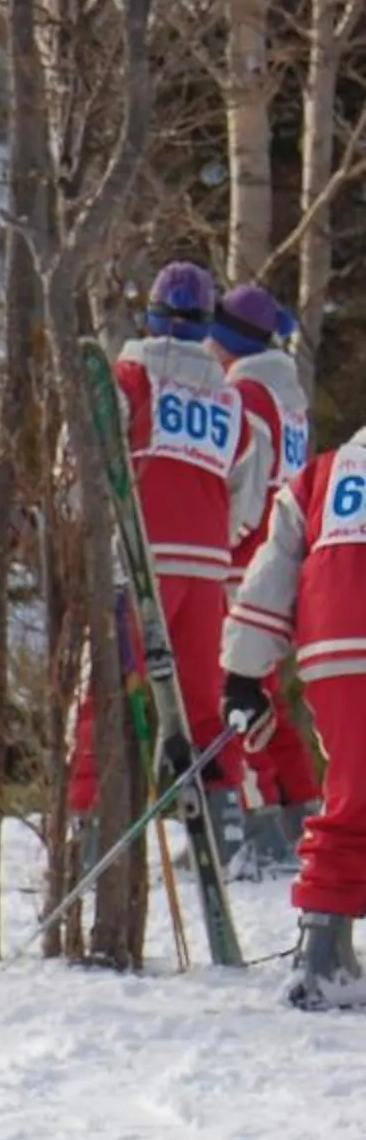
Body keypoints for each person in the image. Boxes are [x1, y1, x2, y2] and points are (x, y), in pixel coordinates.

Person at [72, 262, 265, 862]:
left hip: (136, 561)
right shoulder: (231, 401)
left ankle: (90, 824)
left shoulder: (126, 378)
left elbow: (82, 466)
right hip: (204, 569)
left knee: (106, 691)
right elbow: (247, 495)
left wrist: (77, 520)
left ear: (149, 312)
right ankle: (223, 815)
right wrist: (217, 537)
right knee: (203, 702)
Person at [225, 411, 366, 1009]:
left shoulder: (325, 474)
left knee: (352, 795)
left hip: (333, 653)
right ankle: (323, 958)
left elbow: (272, 568)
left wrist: (243, 671)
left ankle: (324, 948)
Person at [214, 282, 326, 872]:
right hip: (287, 560)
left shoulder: (246, 393)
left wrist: (228, 540)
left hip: (249, 562)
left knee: (235, 691)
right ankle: (301, 809)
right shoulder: (289, 396)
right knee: (271, 697)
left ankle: (258, 824)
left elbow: (247, 488)